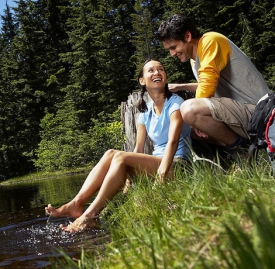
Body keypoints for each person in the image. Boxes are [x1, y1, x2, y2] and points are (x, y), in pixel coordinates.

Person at [45, 59, 192, 232]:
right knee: (110, 153)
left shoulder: (175, 103)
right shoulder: (145, 113)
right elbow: (137, 151)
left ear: (165, 77)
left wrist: (161, 175)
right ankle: (76, 204)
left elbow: (173, 141)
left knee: (120, 156)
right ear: (142, 80)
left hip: (177, 164)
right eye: (151, 70)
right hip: (156, 163)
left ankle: (88, 217)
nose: (157, 72)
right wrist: (130, 180)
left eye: (160, 69)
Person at [155, 14, 270, 151]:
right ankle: (232, 151)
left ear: (187, 36)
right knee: (182, 126)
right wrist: (182, 86)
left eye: (173, 47)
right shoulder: (194, 60)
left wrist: (195, 121)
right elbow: (210, 83)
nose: (172, 54)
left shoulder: (210, 40)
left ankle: (242, 150)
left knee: (189, 110)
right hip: (242, 113)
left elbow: (207, 85)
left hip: (261, 112)